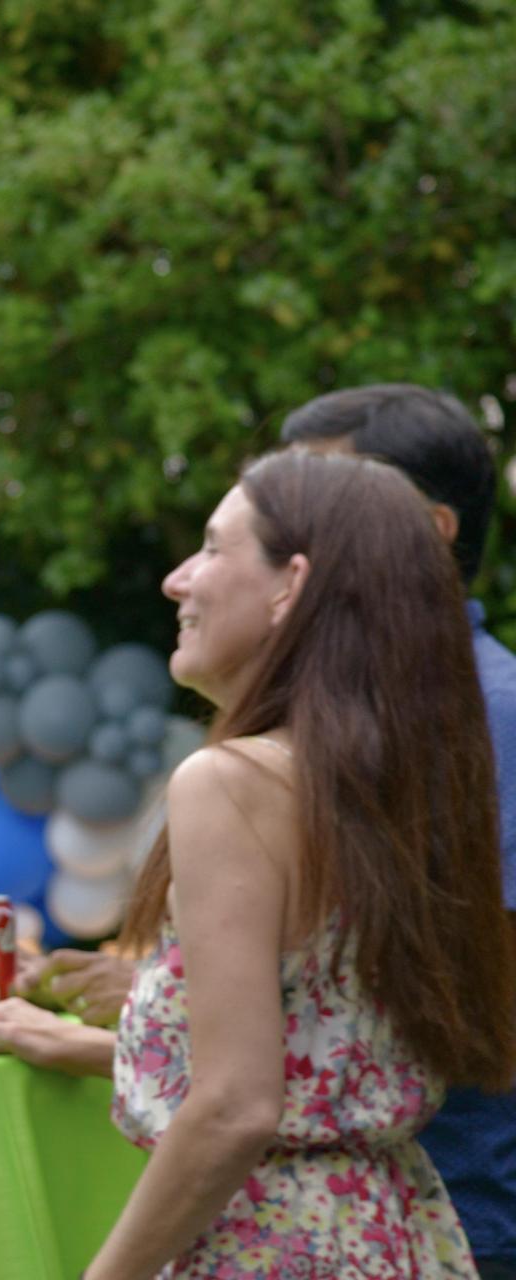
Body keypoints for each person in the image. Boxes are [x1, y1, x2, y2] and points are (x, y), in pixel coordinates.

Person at [0, 448, 516, 1277]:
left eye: (213, 547)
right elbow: (317, 1053)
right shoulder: (415, 776)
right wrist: (97, 1048)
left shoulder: (235, 782)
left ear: (291, 585)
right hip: (392, 1228)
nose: (176, 580)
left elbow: (237, 1107)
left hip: (272, 1241)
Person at [280, 384, 516, 1280]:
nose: (287, 538)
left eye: (324, 501)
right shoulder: (352, 709)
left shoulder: (491, 715)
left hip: (461, 1214)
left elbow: (481, 990)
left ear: (431, 529)